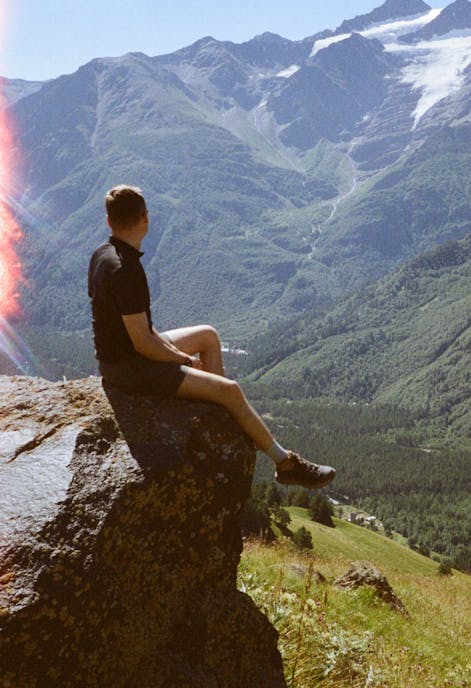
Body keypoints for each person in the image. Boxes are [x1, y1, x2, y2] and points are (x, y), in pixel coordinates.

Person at [88, 184, 335, 489]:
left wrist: (177, 356)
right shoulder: (125, 270)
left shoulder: (104, 255)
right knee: (230, 390)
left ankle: (217, 419)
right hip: (128, 368)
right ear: (145, 218)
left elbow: (139, 328)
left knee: (207, 335)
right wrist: (183, 359)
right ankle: (286, 463)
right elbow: (142, 344)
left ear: (109, 221)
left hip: (122, 356)